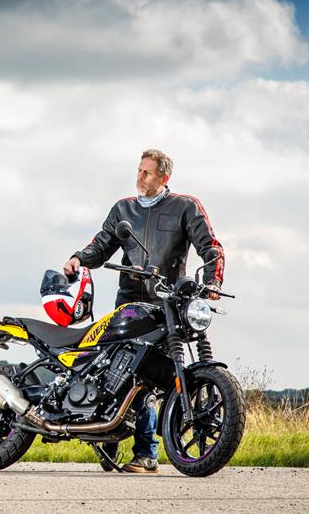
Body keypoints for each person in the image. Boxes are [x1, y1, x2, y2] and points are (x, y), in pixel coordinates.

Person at [63, 149, 224, 474]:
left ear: (164, 178)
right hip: (128, 305)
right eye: (139, 171)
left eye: (147, 173)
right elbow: (102, 244)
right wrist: (79, 258)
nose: (140, 177)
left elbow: (210, 247)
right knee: (110, 372)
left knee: (147, 380)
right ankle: (107, 442)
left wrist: (212, 282)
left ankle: (147, 455)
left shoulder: (185, 207)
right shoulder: (124, 208)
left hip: (166, 308)